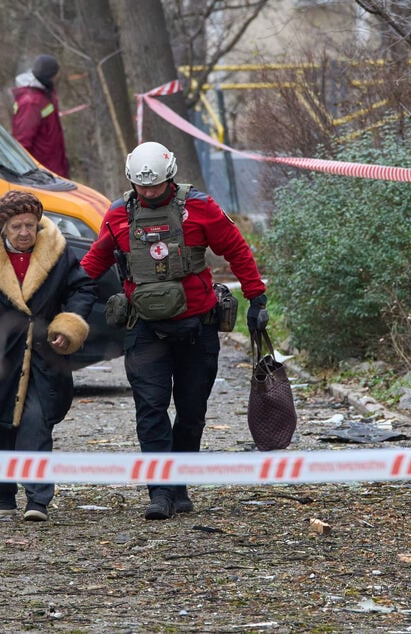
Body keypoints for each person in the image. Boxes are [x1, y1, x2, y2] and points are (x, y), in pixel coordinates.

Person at [80, 141, 269, 520]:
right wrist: (65, 300)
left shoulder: (199, 207)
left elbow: (236, 249)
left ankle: (179, 483)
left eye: (155, 187)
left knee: (192, 411)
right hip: (144, 330)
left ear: (171, 176)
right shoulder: (118, 214)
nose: (148, 193)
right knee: (150, 409)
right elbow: (94, 261)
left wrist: (256, 299)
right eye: (141, 187)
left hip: (198, 328)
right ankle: (160, 492)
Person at [0, 190, 95, 521]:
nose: (25, 233)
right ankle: (5, 492)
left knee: (35, 422)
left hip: (43, 357)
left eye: (30, 225)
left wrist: (67, 323)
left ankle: (38, 499)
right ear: (2, 228)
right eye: (17, 227)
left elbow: (82, 288)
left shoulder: (58, 255)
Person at [11, 54, 70, 178]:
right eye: (55, 75)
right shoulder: (31, 103)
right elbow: (22, 143)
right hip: (42, 175)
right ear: (49, 76)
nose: (57, 78)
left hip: (54, 167)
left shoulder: (45, 94)